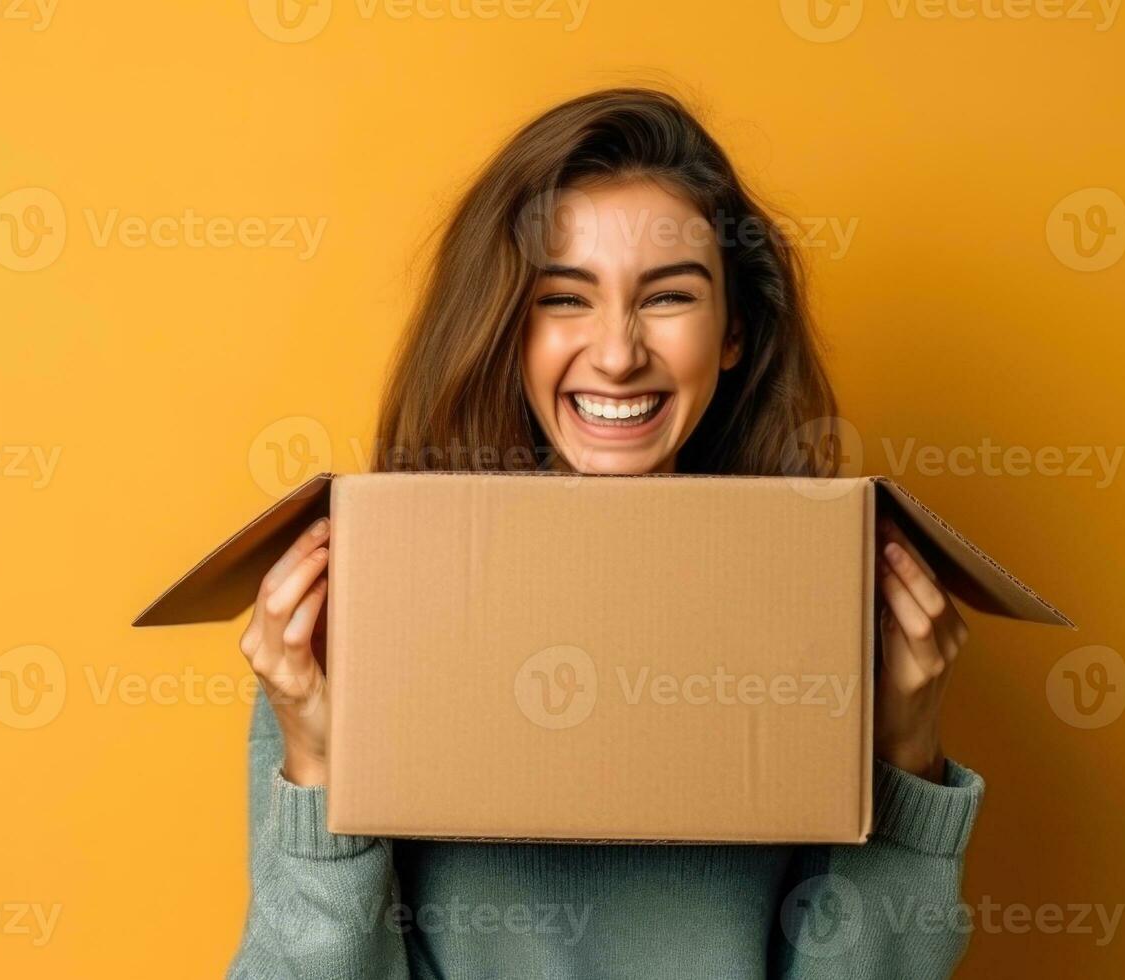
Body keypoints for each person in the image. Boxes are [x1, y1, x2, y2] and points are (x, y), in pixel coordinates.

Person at [230, 87, 979, 980]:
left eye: (666, 297)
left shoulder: (824, 613)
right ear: (507, 328)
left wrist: (903, 760)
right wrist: (316, 763)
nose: (618, 353)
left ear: (733, 330)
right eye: (564, 299)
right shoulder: (364, 614)